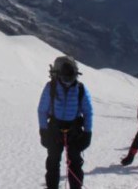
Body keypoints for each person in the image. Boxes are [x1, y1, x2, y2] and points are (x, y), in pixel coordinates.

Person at [38, 56, 93, 189]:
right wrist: (43, 131)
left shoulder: (80, 89)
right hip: (58, 130)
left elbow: (88, 112)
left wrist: (87, 133)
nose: (67, 81)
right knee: (54, 163)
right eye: (65, 78)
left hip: (68, 131)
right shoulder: (51, 87)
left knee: (70, 163)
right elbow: (42, 110)